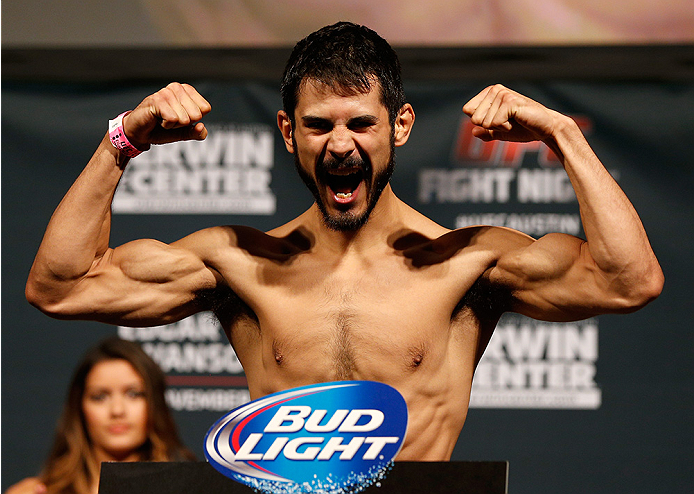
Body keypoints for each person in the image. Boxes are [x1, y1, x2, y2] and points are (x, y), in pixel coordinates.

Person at [25, 22, 663, 461]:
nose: (339, 145)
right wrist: (122, 141)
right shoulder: (237, 263)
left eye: (361, 123)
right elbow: (61, 286)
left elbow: (628, 280)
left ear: (401, 126)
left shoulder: (470, 261)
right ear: (286, 131)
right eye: (317, 126)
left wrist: (562, 136)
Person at [5, 337, 195, 494]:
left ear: (155, 403)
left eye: (133, 394)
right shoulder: (37, 492)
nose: (117, 411)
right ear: (80, 407)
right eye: (100, 397)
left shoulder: (190, 488)